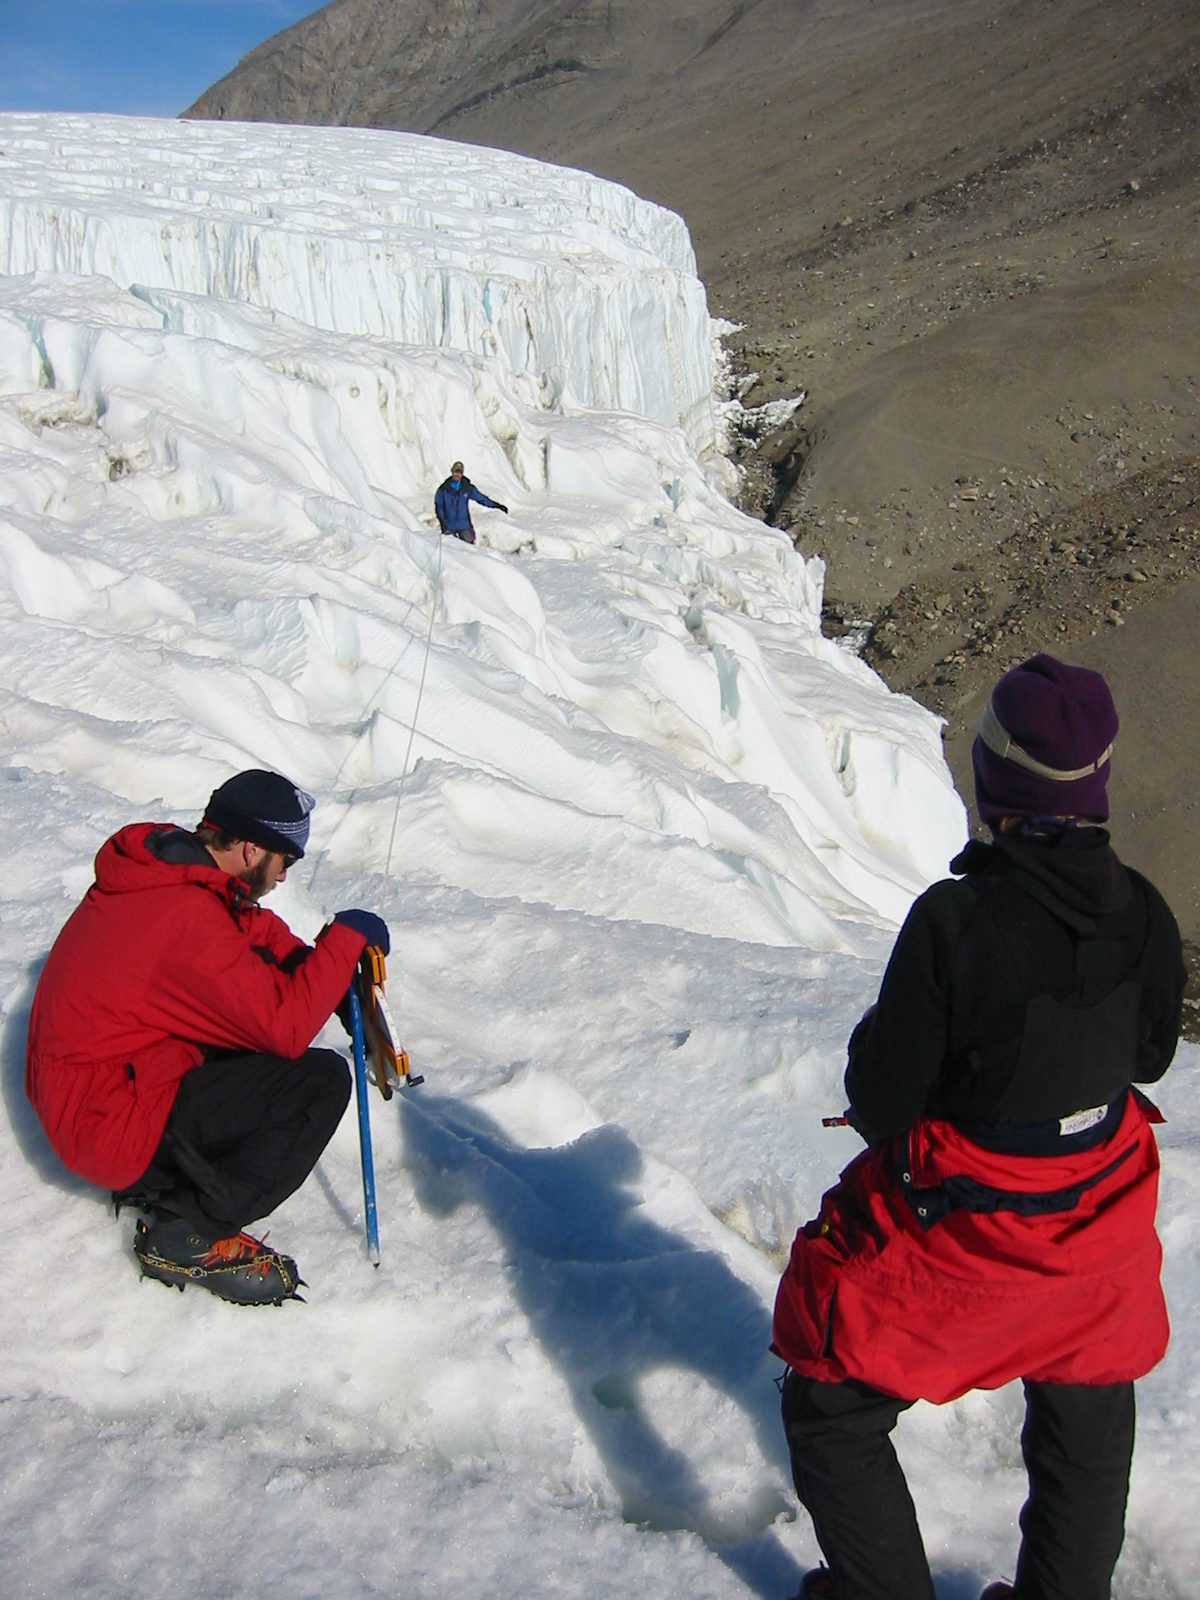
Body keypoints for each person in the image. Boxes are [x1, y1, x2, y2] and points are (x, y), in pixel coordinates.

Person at [772, 655, 1185, 1600]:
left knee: (828, 1405)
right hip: (1094, 1243)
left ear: (994, 777)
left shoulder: (955, 924)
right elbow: (1153, 1057)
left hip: (964, 1245)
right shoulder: (1148, 919)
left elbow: (882, 1105)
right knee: (1090, 1381)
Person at [25, 770, 391, 1306]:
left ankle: (173, 1188)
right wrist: (344, 941)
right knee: (318, 1081)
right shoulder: (184, 915)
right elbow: (283, 1028)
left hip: (104, 1089)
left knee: (246, 1038)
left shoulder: (176, 874)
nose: (283, 877)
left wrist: (319, 973)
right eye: (283, 861)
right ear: (249, 848)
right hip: (107, 1123)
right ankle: (190, 1232)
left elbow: (248, 935)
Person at [434, 459, 507, 544]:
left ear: (462, 474)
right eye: (455, 471)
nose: (457, 474)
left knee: (469, 550)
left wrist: (497, 506)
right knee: (452, 551)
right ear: (452, 472)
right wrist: (443, 524)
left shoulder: (467, 488)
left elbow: (482, 499)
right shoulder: (443, 489)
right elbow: (439, 507)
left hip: (464, 526)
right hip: (449, 527)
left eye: (459, 472)